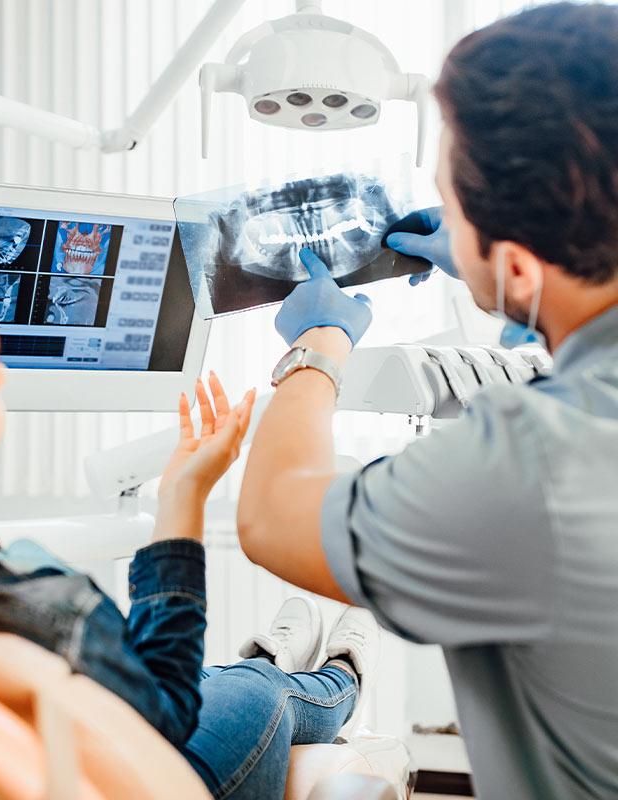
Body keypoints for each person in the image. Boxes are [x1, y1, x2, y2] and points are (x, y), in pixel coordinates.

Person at [0, 221, 382, 800]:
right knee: (259, 690)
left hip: (81, 723)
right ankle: (339, 677)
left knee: (220, 677)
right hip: (150, 762)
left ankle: (279, 657)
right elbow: (165, 716)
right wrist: (184, 496)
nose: (5, 378)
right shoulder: (37, 613)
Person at [236, 4, 618, 799]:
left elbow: (272, 516)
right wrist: (512, 280)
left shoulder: (530, 462)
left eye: (455, 201)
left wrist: (318, 347)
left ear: (515, 263)